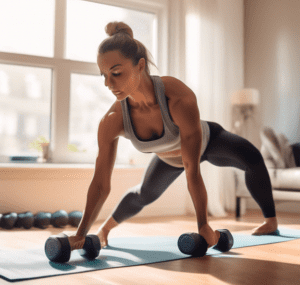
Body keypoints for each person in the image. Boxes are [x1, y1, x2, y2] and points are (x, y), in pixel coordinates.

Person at [67, 21, 279, 251]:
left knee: (253, 157)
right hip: (169, 157)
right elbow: (100, 184)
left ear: (140, 66)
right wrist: (81, 234)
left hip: (208, 141)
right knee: (143, 194)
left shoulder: (177, 97)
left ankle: (271, 221)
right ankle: (105, 230)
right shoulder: (112, 119)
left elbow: (193, 170)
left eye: (116, 73)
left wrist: (203, 226)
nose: (108, 83)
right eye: (104, 75)